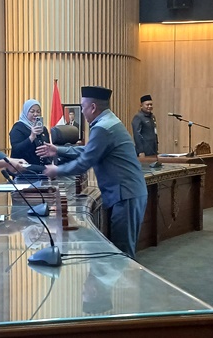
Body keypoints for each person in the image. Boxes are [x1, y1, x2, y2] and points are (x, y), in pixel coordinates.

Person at [38, 86, 148, 258]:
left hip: (125, 194)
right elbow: (89, 150)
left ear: (93, 107)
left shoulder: (103, 127)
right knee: (122, 250)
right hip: (128, 192)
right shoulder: (109, 122)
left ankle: (128, 277)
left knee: (123, 253)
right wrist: (57, 150)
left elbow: (85, 162)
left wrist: (57, 170)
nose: (82, 111)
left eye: (83, 107)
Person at [9, 99, 51, 169]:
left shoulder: (43, 129)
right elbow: (16, 150)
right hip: (24, 168)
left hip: (42, 167)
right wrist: (31, 137)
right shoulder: (18, 127)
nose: (35, 114)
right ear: (26, 112)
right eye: (32, 111)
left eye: (38, 111)